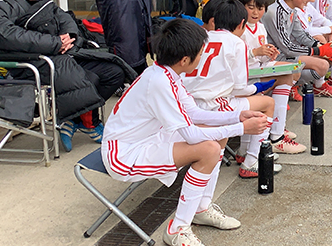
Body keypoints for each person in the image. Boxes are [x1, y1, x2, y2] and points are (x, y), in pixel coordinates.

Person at [101, 19, 268, 246]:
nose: (203, 58)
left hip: (149, 138)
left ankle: (201, 208)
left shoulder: (166, 73)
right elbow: (191, 135)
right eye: (200, 54)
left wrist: (237, 117)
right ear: (185, 60)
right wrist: (242, 128)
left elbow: (195, 114)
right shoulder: (159, 82)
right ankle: (177, 228)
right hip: (124, 154)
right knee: (208, 149)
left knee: (218, 135)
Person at [0, 0, 128, 152]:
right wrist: (54, 43)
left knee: (115, 72)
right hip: (29, 61)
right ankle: (86, 122)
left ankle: (73, 120)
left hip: (57, 51)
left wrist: (69, 35)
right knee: (90, 79)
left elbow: (57, 12)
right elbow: (9, 36)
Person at [181, 0, 280, 178]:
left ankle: (244, 152)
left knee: (251, 106)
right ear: (242, 23)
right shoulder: (236, 42)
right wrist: (257, 87)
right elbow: (239, 88)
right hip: (212, 105)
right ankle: (252, 161)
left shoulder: (200, 37)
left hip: (186, 103)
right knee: (267, 104)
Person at [238, 0, 306, 154]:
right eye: (250, 7)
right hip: (245, 75)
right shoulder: (239, 28)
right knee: (286, 77)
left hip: (258, 68)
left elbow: (261, 57)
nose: (255, 12)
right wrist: (255, 53)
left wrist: (269, 54)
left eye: (260, 8)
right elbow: (234, 57)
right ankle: (277, 135)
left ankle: (277, 127)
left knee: (292, 70)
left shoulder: (259, 26)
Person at [262, 0, 332, 98]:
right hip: (275, 57)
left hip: (288, 53)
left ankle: (289, 86)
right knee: (322, 64)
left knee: (331, 57)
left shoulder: (292, 9)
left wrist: (320, 46)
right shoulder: (275, 12)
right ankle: (280, 87)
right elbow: (286, 48)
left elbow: (301, 34)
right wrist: (318, 50)